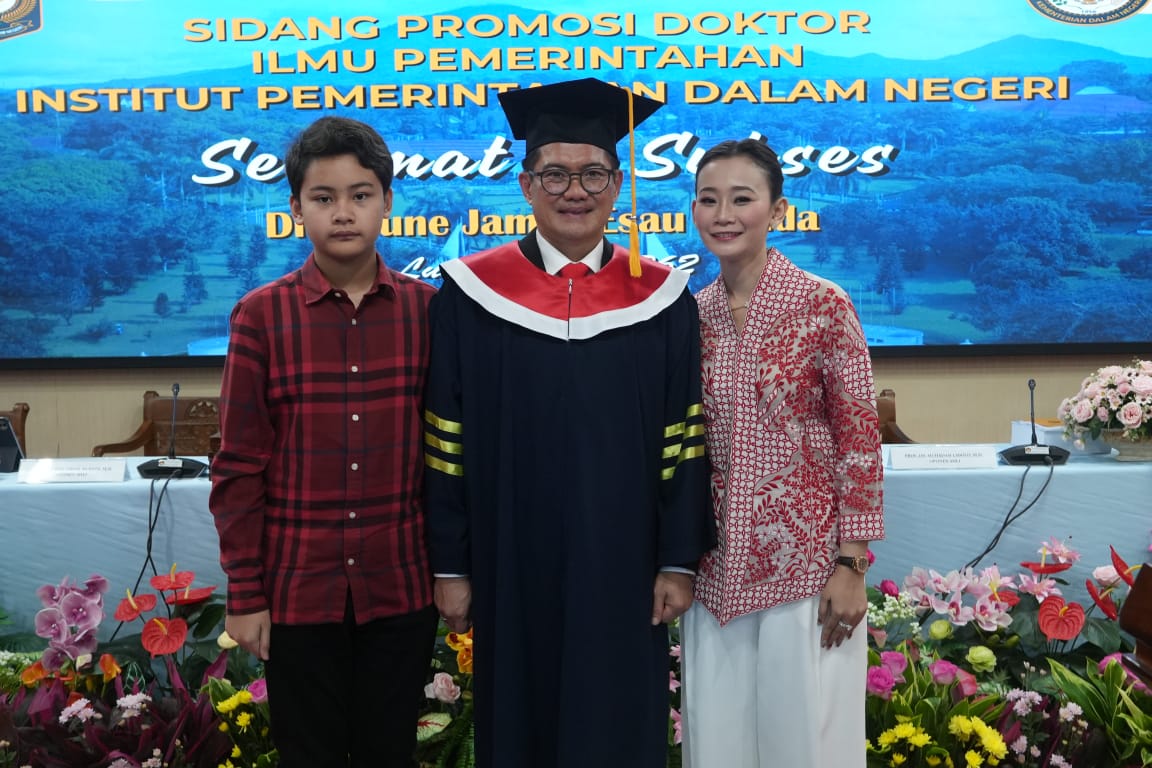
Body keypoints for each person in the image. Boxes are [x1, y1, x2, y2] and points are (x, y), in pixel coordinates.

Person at [422, 78, 716, 768]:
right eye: (554, 174)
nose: (574, 191)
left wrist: (678, 560)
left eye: (593, 174)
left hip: (625, 561)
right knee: (518, 717)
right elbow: (444, 442)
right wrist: (451, 565)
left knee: (617, 719)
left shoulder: (663, 301)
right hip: (507, 558)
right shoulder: (469, 296)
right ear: (526, 185)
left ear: (618, 185)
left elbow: (684, 437)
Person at [209, 116, 438, 768]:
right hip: (298, 592)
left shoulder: (429, 312)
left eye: (361, 195)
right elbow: (238, 468)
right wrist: (246, 595)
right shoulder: (261, 315)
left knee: (389, 753)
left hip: (400, 586)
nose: (343, 212)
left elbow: (450, 459)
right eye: (323, 197)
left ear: (387, 202)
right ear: (295, 208)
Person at [680, 138, 885, 768]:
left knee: (804, 744)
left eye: (741, 199)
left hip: (807, 570)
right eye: (708, 199)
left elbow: (859, 438)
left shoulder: (823, 303)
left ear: (777, 210)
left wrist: (852, 565)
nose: (723, 215)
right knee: (718, 741)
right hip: (715, 569)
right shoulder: (691, 314)